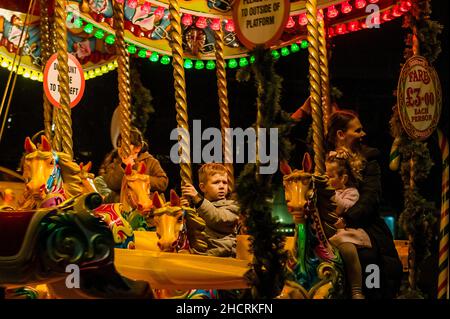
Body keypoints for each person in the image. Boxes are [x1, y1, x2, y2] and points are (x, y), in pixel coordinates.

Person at [326, 110, 403, 299]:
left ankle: (368, 292)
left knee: (369, 259)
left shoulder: (369, 160)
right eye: (357, 131)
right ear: (340, 134)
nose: (363, 134)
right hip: (328, 225)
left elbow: (370, 198)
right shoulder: (325, 160)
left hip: (362, 225)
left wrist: (346, 218)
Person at [326, 148, 371, 299]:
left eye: (330, 177)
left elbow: (344, 207)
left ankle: (356, 289)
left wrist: (330, 194)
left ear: (343, 179)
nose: (327, 180)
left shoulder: (351, 192)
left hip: (344, 231)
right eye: (325, 176)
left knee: (348, 250)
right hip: (326, 230)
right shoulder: (327, 192)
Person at [180, 163, 240, 257]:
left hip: (222, 254)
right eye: (216, 182)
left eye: (224, 182)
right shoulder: (199, 208)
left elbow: (217, 218)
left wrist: (197, 199)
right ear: (203, 187)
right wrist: (184, 211)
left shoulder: (232, 207)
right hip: (202, 253)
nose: (221, 186)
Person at [99, 127, 168, 202]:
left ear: (138, 148)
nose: (121, 148)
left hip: (147, 202)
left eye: (126, 145)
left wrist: (142, 179)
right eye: (119, 145)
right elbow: (112, 184)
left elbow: (163, 183)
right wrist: (124, 166)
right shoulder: (114, 165)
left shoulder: (151, 162)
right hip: (124, 205)